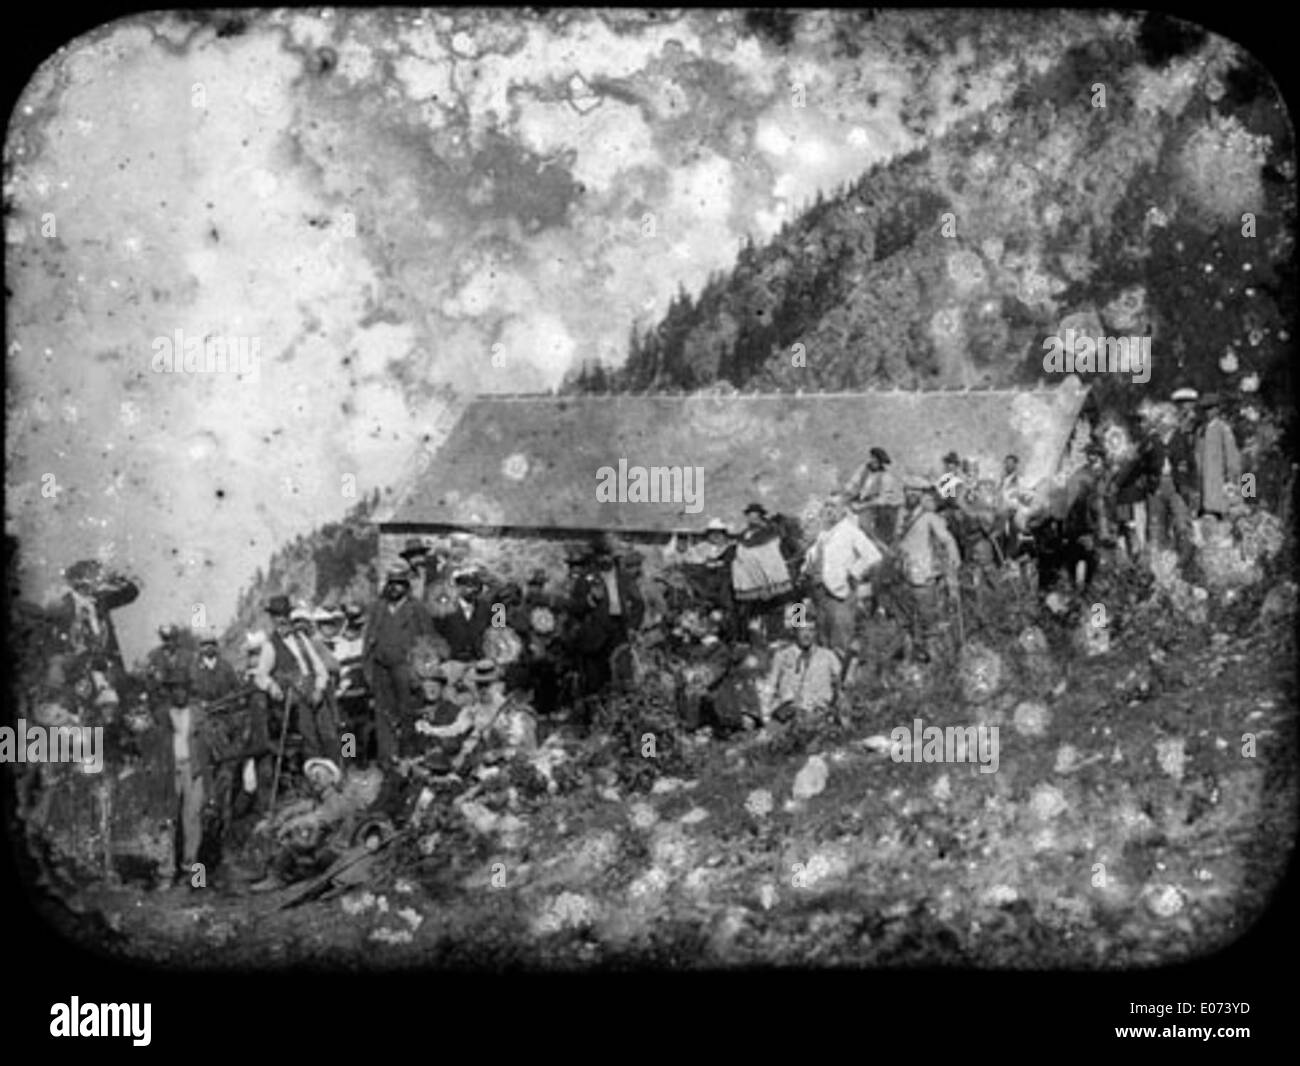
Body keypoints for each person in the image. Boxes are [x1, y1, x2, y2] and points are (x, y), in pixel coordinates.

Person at [362, 569, 435, 764]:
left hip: (406, 666)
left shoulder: (416, 608)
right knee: (383, 713)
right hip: (380, 668)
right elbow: (368, 638)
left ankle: (408, 757)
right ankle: (387, 758)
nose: (395, 587)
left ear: (406, 586)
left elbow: (428, 639)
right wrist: (367, 669)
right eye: (392, 583)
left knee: (407, 712)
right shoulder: (379, 607)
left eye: (400, 583)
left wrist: (423, 671)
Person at [802, 493, 881, 655]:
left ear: (844, 510)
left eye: (834, 506)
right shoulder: (824, 533)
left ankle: (841, 676)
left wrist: (853, 572)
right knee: (822, 636)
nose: (830, 510)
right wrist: (805, 569)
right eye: (827, 506)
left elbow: (873, 555)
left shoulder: (851, 531)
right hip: (819, 592)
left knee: (840, 639)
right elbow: (812, 556)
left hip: (839, 592)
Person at [154, 673, 213, 890]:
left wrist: (209, 782)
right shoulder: (161, 714)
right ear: (170, 692)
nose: (179, 693)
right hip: (169, 770)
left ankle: (196, 876)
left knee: (193, 820)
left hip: (194, 768)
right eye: (175, 688)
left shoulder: (198, 712)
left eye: (183, 688)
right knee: (166, 821)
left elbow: (207, 747)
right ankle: (165, 873)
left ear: (188, 690)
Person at [896, 479, 960, 662]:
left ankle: (935, 666)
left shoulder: (929, 517)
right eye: (908, 491)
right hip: (904, 579)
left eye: (916, 492)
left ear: (922, 495)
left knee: (929, 627)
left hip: (923, 580)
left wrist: (954, 558)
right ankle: (909, 665)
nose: (911, 495)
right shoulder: (901, 517)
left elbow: (947, 540)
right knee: (906, 627)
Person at [731, 502, 794, 641]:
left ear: (761, 517)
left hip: (769, 576)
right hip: (749, 580)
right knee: (755, 612)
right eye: (749, 516)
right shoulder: (745, 534)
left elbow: (770, 554)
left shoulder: (769, 532)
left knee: (780, 607)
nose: (752, 519)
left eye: (755, 516)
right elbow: (740, 551)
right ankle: (755, 638)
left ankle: (782, 635)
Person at [765, 616, 842, 723]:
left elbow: (841, 685)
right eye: (802, 630)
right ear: (795, 632)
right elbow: (770, 686)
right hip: (788, 715)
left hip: (819, 715)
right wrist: (766, 714)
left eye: (810, 630)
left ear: (816, 633)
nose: (806, 635)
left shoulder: (828, 656)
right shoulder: (782, 656)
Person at [1196, 393, 1242, 519]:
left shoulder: (1223, 428)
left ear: (1217, 409)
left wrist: (1231, 477)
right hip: (1204, 484)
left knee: (1221, 514)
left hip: (1219, 481)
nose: (1207, 412)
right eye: (1205, 409)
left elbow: (1231, 455)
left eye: (1210, 408)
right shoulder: (1201, 430)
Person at [848, 447, 905, 544]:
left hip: (876, 509)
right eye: (871, 458)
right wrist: (850, 496)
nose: (872, 461)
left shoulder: (886, 477)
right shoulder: (864, 470)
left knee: (863, 527)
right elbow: (853, 484)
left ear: (881, 463)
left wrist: (862, 506)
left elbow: (881, 500)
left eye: (876, 461)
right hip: (859, 503)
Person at [434, 569, 493, 662]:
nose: (474, 589)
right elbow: (437, 637)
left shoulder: (486, 607)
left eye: (477, 585)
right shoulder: (444, 609)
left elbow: (494, 631)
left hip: (481, 663)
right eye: (469, 586)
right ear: (458, 587)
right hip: (454, 663)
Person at [145, 624, 194, 709]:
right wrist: (154, 677)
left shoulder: (187, 655)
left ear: (176, 639)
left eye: (172, 638)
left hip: (187, 698)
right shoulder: (154, 656)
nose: (169, 642)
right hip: (165, 700)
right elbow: (149, 681)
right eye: (165, 639)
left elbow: (195, 678)